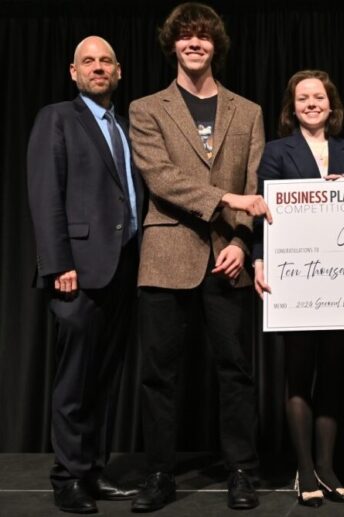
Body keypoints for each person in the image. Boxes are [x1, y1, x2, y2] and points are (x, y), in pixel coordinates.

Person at [128, 3, 271, 512]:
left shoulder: (247, 111)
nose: (194, 44)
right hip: (167, 253)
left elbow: (254, 184)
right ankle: (160, 473)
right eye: (185, 37)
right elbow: (160, 177)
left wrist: (239, 242)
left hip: (226, 254)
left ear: (216, 45)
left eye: (203, 37)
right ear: (172, 45)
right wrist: (227, 201)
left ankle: (241, 471)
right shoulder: (146, 109)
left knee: (235, 370)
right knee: (159, 374)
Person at [27, 35, 143, 513]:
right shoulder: (57, 117)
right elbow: (45, 193)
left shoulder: (127, 124)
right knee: (75, 380)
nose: (98, 68)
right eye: (88, 62)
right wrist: (59, 264)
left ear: (118, 71)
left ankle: (93, 470)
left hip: (124, 267)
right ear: (73, 73)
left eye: (106, 61)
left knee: (104, 378)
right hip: (77, 269)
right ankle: (68, 477)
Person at [253, 69, 344, 507]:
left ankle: (328, 467)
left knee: (333, 377)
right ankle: (304, 471)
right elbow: (265, 208)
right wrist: (259, 259)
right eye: (303, 98)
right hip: (296, 278)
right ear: (292, 106)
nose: (312, 104)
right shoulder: (277, 151)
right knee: (299, 375)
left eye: (319, 97)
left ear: (331, 104)